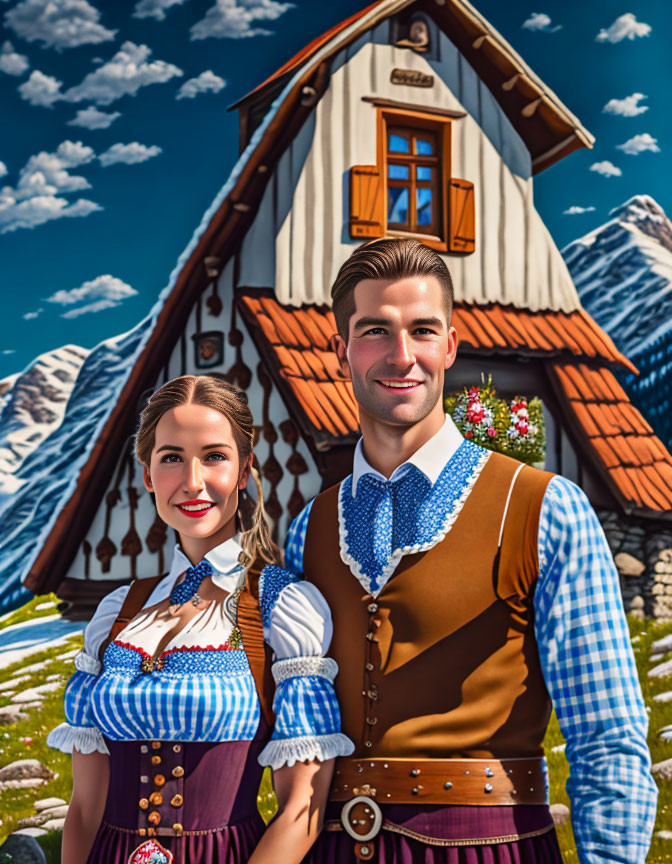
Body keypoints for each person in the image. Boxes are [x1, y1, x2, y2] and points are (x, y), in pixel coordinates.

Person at [283, 238, 657, 863]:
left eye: (422, 330)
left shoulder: (544, 507)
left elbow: (607, 738)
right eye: (375, 330)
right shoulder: (308, 529)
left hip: (490, 849)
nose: (402, 356)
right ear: (340, 351)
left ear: (450, 346)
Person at [48, 375, 353, 864]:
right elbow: (84, 808)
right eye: (171, 458)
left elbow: (302, 806)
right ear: (148, 475)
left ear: (244, 469)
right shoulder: (117, 613)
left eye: (214, 456)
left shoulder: (281, 607)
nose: (192, 481)